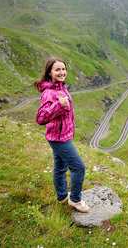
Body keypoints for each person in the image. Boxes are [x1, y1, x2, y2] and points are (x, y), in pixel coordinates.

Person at [34, 57, 90, 212]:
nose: (62, 72)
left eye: (63, 69)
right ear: (50, 72)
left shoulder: (60, 87)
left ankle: (62, 196)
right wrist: (59, 105)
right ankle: (76, 200)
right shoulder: (49, 93)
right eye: (57, 70)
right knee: (78, 167)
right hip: (59, 138)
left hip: (61, 135)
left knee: (60, 168)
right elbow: (40, 118)